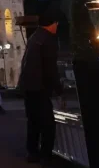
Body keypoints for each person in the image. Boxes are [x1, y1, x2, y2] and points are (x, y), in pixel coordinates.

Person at [18, 10, 62, 165]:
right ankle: (46, 155)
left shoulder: (34, 37)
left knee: (33, 122)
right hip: (40, 86)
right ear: (52, 24)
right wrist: (58, 89)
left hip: (28, 86)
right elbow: (50, 68)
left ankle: (32, 153)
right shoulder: (48, 40)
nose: (57, 26)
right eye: (56, 23)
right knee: (48, 124)